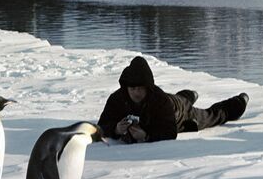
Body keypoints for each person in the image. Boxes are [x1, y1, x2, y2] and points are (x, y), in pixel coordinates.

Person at [97, 56, 249, 143]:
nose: (136, 93)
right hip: (171, 102)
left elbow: (169, 132)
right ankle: (188, 95)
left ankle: (238, 104)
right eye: (132, 89)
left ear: (147, 87)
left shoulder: (160, 101)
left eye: (140, 88)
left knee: (208, 116)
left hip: (178, 112)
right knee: (178, 99)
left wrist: (147, 136)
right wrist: (116, 129)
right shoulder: (117, 98)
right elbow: (101, 126)